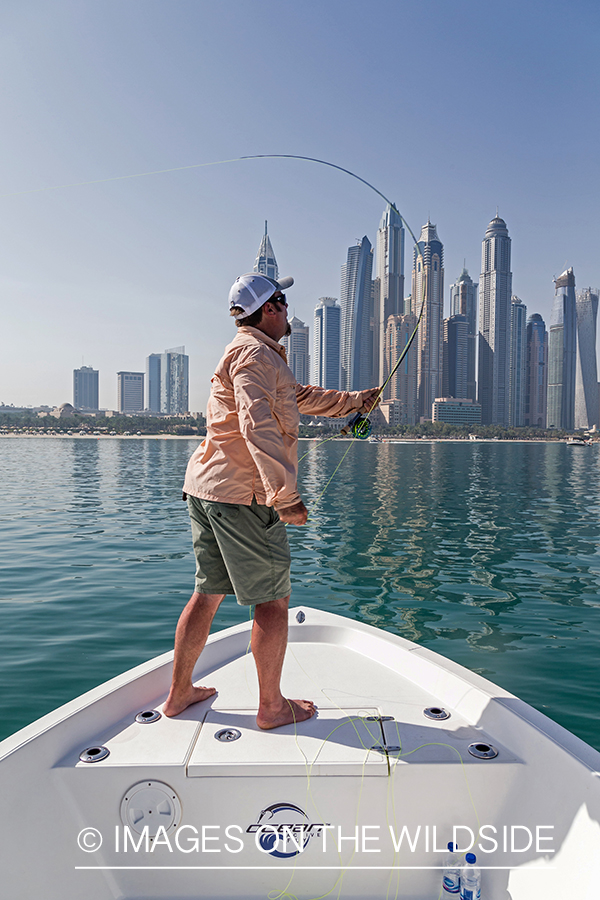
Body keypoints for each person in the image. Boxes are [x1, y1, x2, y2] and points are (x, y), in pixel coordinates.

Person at [164, 272, 379, 728]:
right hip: (243, 496)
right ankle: (271, 707)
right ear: (269, 309)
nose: (287, 310)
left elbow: (295, 398)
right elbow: (256, 423)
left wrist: (354, 401)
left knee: (208, 592)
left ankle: (180, 693)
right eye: (282, 301)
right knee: (273, 602)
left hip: (209, 489)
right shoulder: (255, 356)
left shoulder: (257, 356)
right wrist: (284, 496)